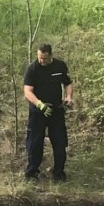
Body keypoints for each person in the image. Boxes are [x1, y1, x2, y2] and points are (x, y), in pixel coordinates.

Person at [23, 43, 73, 182]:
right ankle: (32, 173)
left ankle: (58, 174)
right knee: (35, 143)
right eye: (39, 58)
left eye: (44, 58)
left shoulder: (60, 66)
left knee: (59, 142)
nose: (41, 61)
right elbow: (27, 91)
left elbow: (67, 83)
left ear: (50, 56)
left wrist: (68, 97)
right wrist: (40, 105)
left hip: (56, 110)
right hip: (38, 112)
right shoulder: (32, 69)